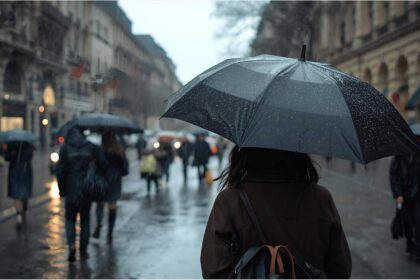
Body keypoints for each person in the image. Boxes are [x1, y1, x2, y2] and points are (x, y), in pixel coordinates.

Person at [200, 146, 352, 278]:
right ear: (299, 152)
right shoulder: (320, 199)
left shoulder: (230, 200)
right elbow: (340, 269)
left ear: (246, 152)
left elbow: (213, 270)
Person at [56, 128, 108, 262]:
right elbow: (104, 165)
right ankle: (83, 250)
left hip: (71, 189)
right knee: (85, 220)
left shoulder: (65, 148)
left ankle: (72, 245)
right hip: (86, 190)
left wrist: (62, 191)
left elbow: (60, 172)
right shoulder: (90, 147)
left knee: (70, 219)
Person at [93, 131, 128, 244]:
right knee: (112, 206)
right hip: (115, 181)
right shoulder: (119, 151)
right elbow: (124, 170)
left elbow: (95, 167)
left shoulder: (99, 151)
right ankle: (110, 233)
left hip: (102, 181)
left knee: (100, 204)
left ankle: (99, 225)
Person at [389, 153, 420, 259]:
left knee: (418, 221)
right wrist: (398, 194)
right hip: (404, 195)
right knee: (407, 223)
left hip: (417, 196)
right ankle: (409, 243)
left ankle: (417, 248)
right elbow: (394, 174)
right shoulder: (400, 154)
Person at [4, 141, 34, 228]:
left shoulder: (12, 144)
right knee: (22, 192)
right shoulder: (27, 144)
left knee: (17, 193)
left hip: (17, 170)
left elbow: (7, 158)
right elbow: (31, 156)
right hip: (24, 169)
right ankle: (22, 212)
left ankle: (19, 213)